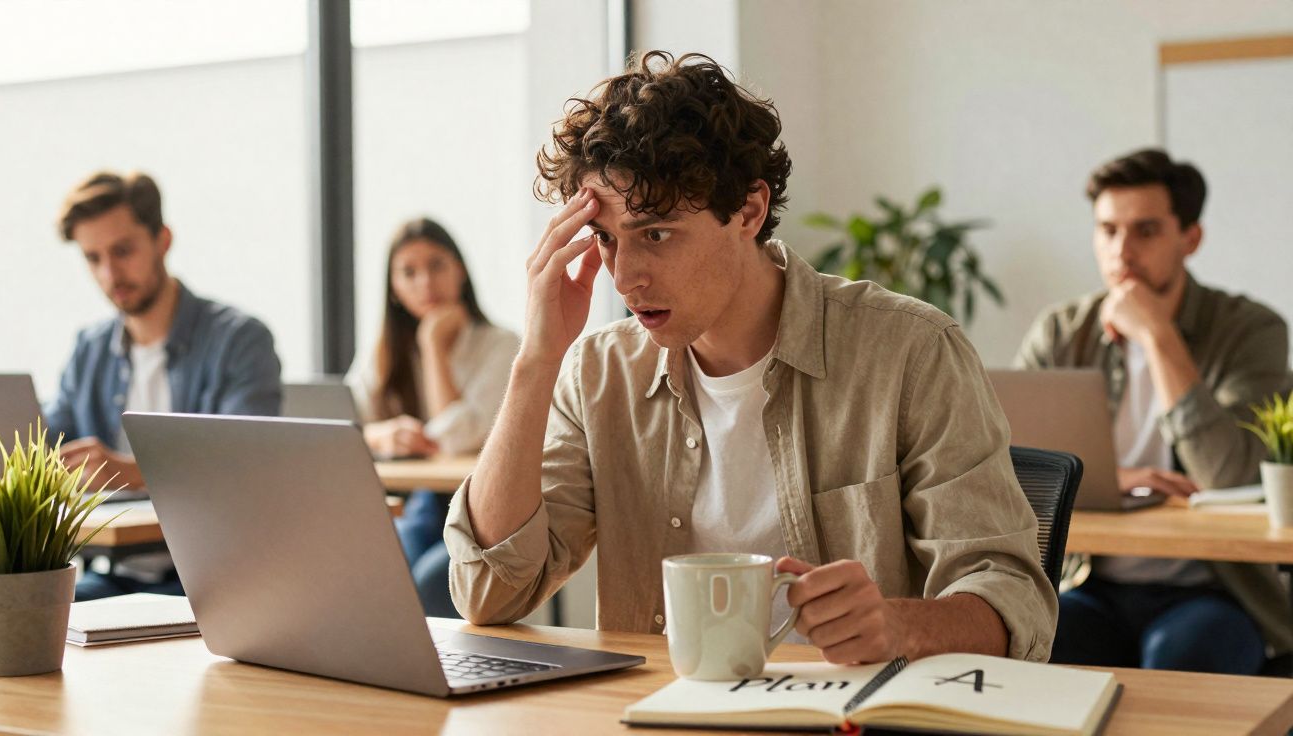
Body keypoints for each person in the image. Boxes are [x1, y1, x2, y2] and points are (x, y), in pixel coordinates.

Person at [443, 51, 1056, 664]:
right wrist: (536, 360)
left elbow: (1014, 599)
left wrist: (899, 626)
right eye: (606, 238)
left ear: (748, 210)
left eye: (656, 233)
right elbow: (490, 592)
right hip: (661, 706)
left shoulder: (909, 352)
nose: (624, 278)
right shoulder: (597, 374)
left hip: (850, 706)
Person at [1016, 148, 1293, 673]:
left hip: (1214, 589)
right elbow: (1009, 467)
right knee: (1035, 647)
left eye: (1145, 231)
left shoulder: (1251, 330)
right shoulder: (1060, 332)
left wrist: (1158, 335)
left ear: (1191, 238)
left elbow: (1230, 473)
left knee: (1184, 656)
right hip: (1086, 580)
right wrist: (1109, 480)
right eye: (1108, 231)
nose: (1122, 251)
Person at [47, 170, 282, 600]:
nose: (109, 273)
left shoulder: (239, 340)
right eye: (93, 258)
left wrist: (129, 473)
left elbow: (243, 466)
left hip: (211, 580)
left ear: (162, 240)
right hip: (112, 574)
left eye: (122, 251)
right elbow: (44, 445)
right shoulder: (89, 349)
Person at [347, 217, 518, 618]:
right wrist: (380, 436)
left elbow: (454, 439)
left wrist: (433, 347)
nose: (425, 282)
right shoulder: (384, 352)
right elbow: (347, 424)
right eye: (409, 272)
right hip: (422, 505)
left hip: (485, 513)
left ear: (460, 270)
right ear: (393, 289)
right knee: (372, 570)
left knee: (428, 580)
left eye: (437, 265)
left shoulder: (501, 345)